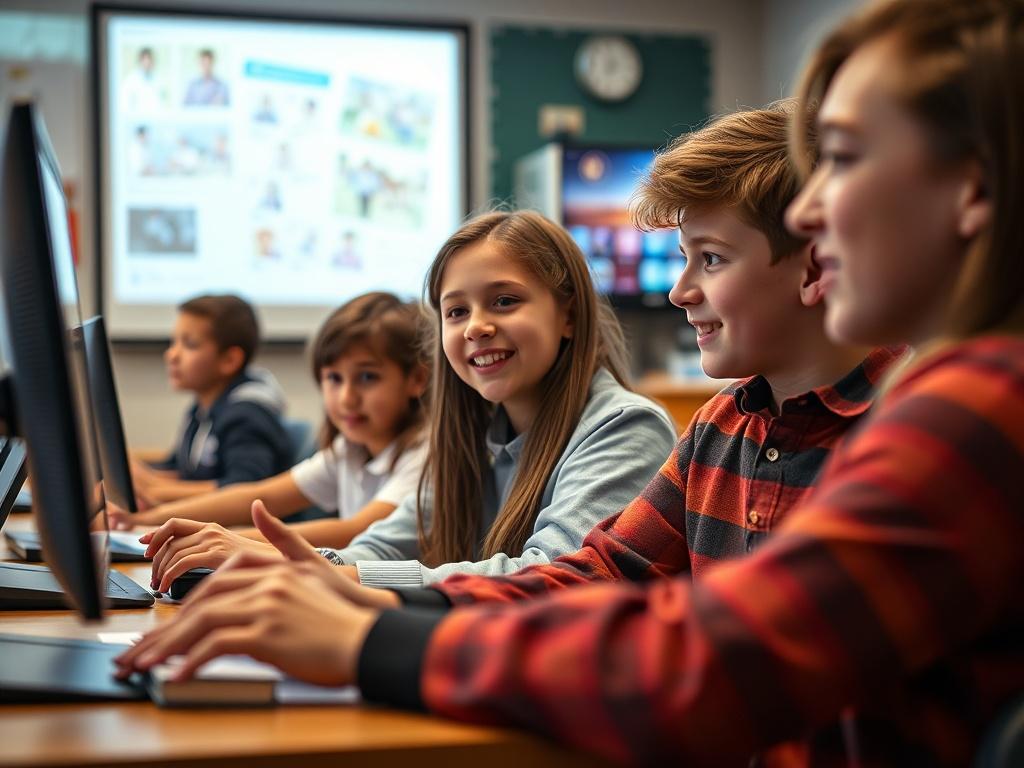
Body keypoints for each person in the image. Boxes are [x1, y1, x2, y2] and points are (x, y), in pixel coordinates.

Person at [118, 0, 1024, 763]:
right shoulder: (729, 423)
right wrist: (353, 591)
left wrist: (365, 636)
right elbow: (596, 576)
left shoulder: (973, 409)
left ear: (974, 187)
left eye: (848, 158)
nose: (816, 206)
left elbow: (709, 664)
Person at [143, 210, 677, 590]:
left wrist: (316, 569)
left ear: (568, 315)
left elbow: (547, 578)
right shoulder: (472, 432)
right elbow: (384, 546)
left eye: (505, 301)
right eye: (456, 311)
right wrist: (283, 558)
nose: (478, 327)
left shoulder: (625, 427)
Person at [115, 294, 432, 592]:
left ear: (417, 379)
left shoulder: (425, 453)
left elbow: (357, 530)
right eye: (334, 379)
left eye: (367, 378)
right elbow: (261, 494)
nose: (347, 398)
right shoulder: (349, 448)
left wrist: (229, 540)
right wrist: (143, 521)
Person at [122, 294, 291, 510]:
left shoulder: (247, 416)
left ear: (229, 360)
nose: (172, 355)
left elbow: (243, 490)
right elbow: (181, 470)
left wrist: (154, 488)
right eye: (174, 342)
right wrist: (141, 476)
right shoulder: (202, 408)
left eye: (189, 344)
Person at [122, 47, 163, 113]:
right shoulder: (131, 80)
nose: (149, 63)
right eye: (146, 60)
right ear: (140, 61)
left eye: (151, 60)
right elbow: (126, 104)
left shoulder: (158, 79)